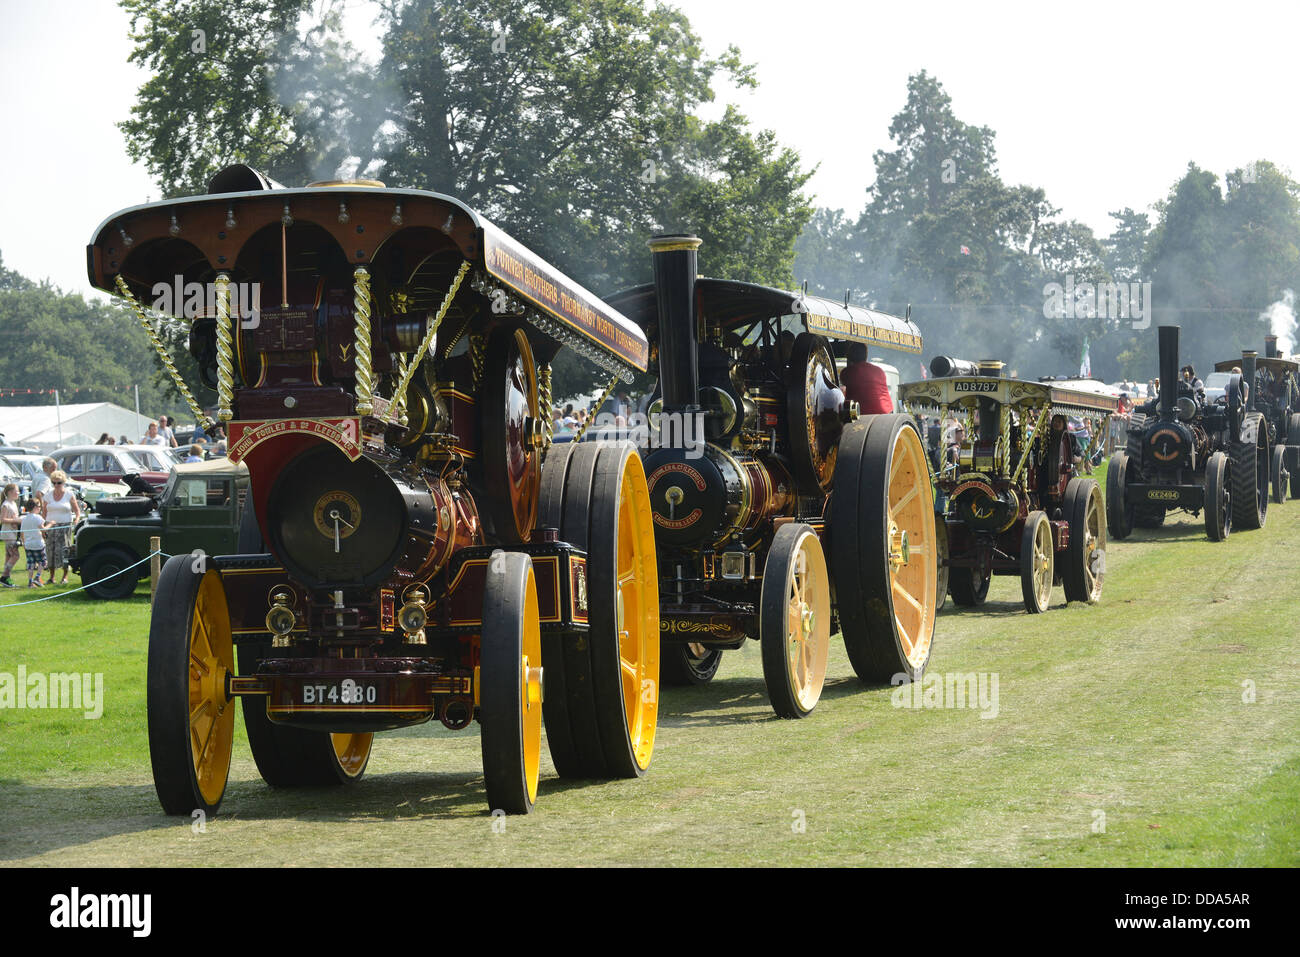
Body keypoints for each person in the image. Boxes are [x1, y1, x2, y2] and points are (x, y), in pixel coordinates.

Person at [42, 470, 80, 585]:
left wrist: (76, 520)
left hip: (65, 526)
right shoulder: (48, 495)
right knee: (50, 551)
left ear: (63, 482)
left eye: (58, 483)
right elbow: (43, 513)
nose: (56, 485)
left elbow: (77, 511)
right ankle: (51, 577)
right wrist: (43, 527)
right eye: (54, 483)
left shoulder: (69, 494)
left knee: (64, 551)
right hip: (51, 526)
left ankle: (65, 576)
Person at [840, 342, 893, 414]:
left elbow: (841, 388)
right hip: (887, 412)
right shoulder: (879, 370)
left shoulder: (846, 372)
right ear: (866, 355)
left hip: (862, 414)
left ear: (851, 355)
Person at [20, 498, 48, 587]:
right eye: (39, 506)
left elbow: (22, 533)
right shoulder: (38, 517)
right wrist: (51, 523)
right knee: (43, 562)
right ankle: (37, 577)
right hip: (38, 544)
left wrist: (24, 543)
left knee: (31, 564)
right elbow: (43, 529)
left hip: (28, 545)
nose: (40, 508)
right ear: (35, 507)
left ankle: (30, 582)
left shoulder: (24, 519)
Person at [0, 483, 20, 587]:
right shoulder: (6, 504)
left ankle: (6, 579)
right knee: (15, 555)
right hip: (8, 533)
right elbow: (2, 520)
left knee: (8, 556)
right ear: (9, 492)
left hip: (13, 532)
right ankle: (4, 576)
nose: (18, 493)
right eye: (16, 491)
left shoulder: (14, 504)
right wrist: (15, 520)